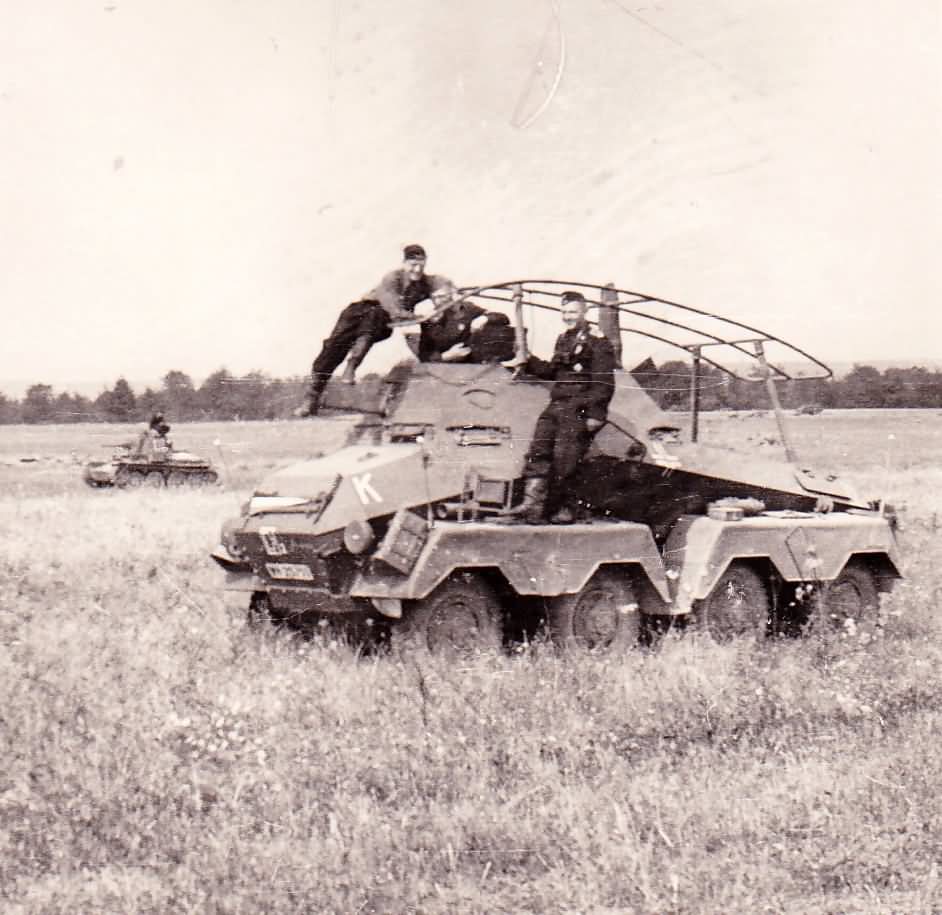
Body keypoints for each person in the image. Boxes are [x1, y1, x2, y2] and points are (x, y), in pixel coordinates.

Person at [501, 290, 616, 523]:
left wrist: (596, 414)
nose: (568, 316)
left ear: (585, 311)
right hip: (557, 404)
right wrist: (528, 359)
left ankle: (566, 507)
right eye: (564, 312)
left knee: (566, 459)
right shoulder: (564, 339)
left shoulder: (598, 340)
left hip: (578, 407)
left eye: (573, 311)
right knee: (538, 452)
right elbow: (554, 371)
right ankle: (532, 506)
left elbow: (604, 382)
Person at [298, 244, 445, 417]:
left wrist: (443, 301)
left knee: (373, 321)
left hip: (380, 320)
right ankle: (312, 396)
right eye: (413, 265)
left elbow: (445, 287)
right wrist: (419, 316)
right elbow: (393, 308)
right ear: (404, 263)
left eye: (421, 265)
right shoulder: (392, 278)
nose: (417, 270)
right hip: (359, 312)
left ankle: (351, 366)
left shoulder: (426, 282)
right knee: (332, 349)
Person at [416, 282, 511, 363]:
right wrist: (445, 356)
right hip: (442, 369)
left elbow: (503, 318)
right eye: (434, 297)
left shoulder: (466, 309)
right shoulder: (429, 319)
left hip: (470, 365)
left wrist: (484, 318)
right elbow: (421, 355)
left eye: (441, 296)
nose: (437, 301)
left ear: (452, 294)